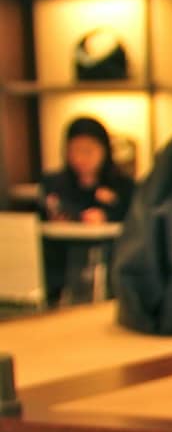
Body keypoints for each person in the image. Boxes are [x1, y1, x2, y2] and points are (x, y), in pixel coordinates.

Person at [37, 115, 136, 303]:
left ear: (104, 150)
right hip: (61, 266)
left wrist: (108, 213)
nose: (81, 158)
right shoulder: (55, 184)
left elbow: (132, 216)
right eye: (75, 150)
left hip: (111, 265)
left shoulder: (122, 185)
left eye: (88, 151)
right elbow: (46, 211)